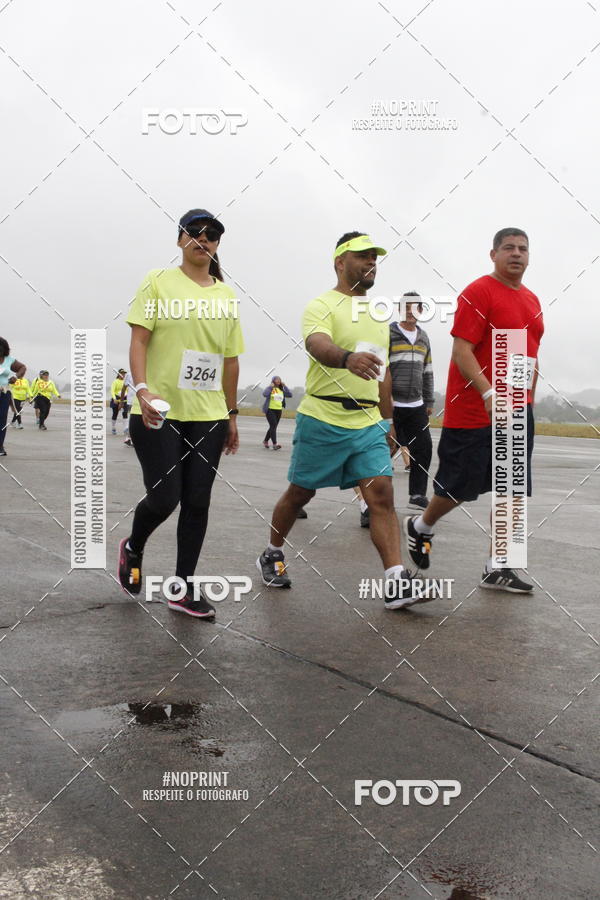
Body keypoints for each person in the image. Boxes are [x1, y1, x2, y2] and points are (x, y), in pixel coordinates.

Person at [256, 231, 432, 610]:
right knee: (300, 493)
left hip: (368, 422)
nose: (371, 263)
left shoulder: (379, 313)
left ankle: (395, 582)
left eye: (374, 258)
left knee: (382, 496)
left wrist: (388, 421)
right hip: (323, 416)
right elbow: (316, 343)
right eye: (363, 257)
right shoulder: (322, 304)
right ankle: (272, 552)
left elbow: (383, 373)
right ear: (340, 262)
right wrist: (346, 358)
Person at [118, 208, 244, 619]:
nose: (202, 239)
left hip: (207, 414)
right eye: (194, 232)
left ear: (217, 245)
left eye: (211, 235)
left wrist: (231, 414)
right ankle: (133, 546)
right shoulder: (157, 281)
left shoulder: (226, 295)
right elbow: (139, 341)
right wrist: (142, 390)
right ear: (179, 240)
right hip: (160, 410)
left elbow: (229, 360)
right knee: (165, 497)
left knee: (198, 501)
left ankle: (182, 587)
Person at [404, 228, 544, 593]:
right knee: (460, 485)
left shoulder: (531, 300)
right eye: (509, 248)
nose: (517, 254)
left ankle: (498, 566)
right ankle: (421, 526)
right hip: (474, 408)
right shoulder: (479, 292)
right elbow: (462, 351)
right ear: (493, 254)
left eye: (523, 249)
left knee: (512, 487)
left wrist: (528, 400)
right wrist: (486, 392)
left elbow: (529, 354)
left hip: (516, 408)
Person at [0, 338, 27, 456]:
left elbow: (22, 367)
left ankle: (0, 446)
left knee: (1, 419)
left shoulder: (9, 360)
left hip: (4, 393)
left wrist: (16, 377)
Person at [262, 376, 292, 450]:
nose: (278, 381)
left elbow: (290, 395)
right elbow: (265, 394)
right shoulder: (270, 388)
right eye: (276, 379)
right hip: (270, 410)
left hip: (278, 410)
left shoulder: (281, 390)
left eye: (279, 379)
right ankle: (275, 444)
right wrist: (270, 387)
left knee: (273, 427)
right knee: (273, 425)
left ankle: (265, 441)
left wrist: (285, 386)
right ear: (273, 381)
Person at [109, 368, 127, 435]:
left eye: (124, 373)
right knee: (115, 414)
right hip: (116, 399)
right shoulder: (115, 381)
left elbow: (127, 390)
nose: (123, 374)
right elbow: (112, 391)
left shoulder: (125, 381)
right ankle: (113, 427)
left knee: (125, 413)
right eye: (122, 373)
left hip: (124, 399)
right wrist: (114, 399)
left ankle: (125, 429)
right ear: (119, 374)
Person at [120, 370, 135, 446]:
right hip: (131, 402)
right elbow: (123, 388)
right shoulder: (129, 374)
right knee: (133, 420)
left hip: (142, 401)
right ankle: (129, 438)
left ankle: (129, 438)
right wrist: (121, 402)